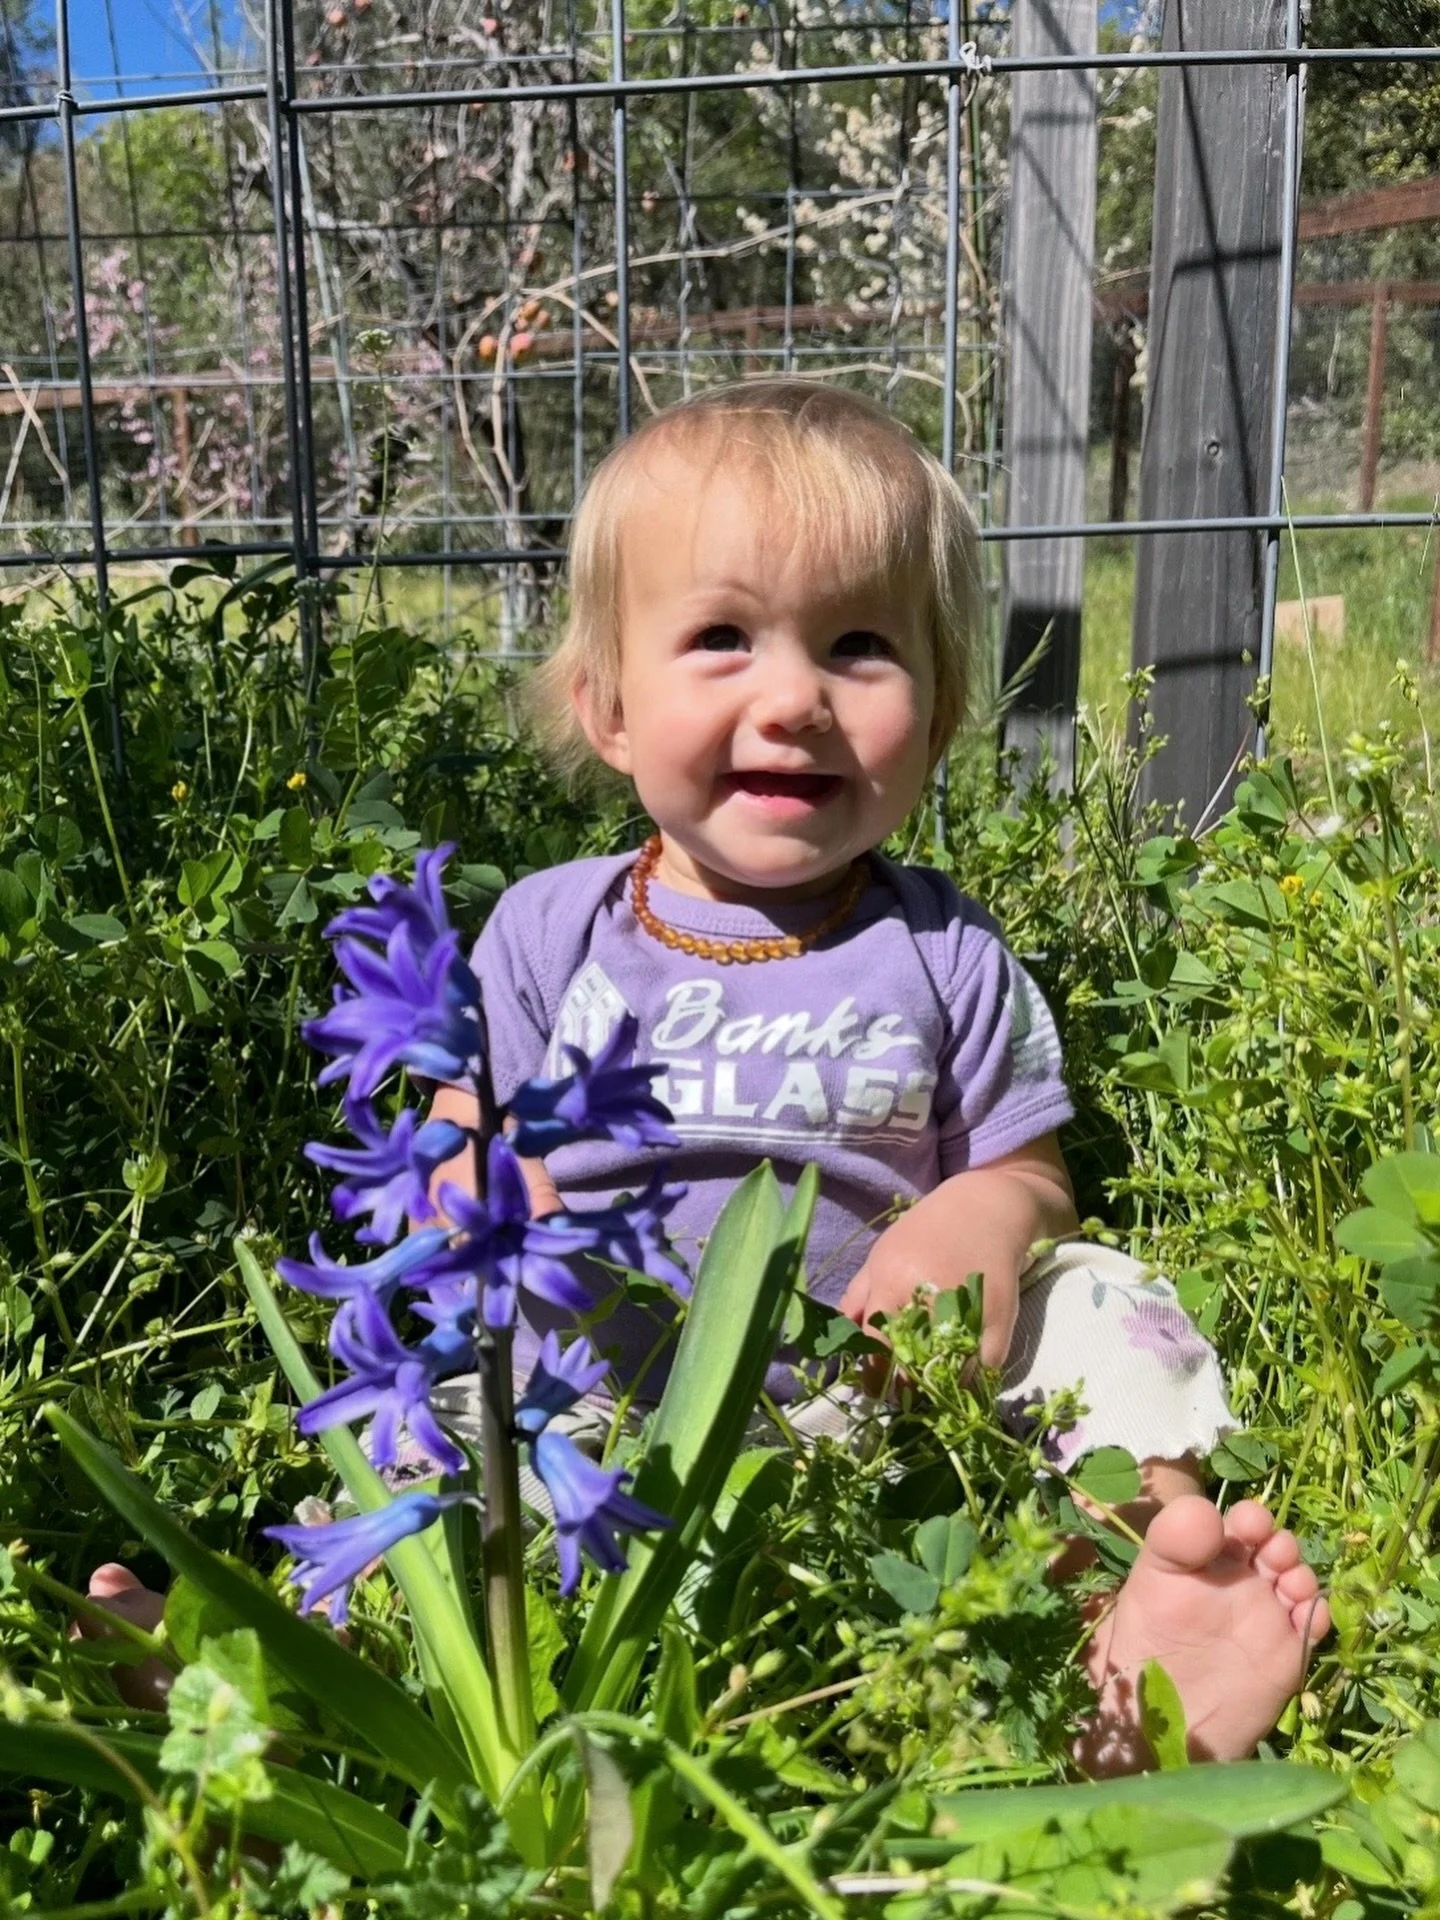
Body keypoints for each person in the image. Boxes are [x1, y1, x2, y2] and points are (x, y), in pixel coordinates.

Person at [417, 379, 1327, 1772]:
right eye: (721, 638)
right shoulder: (550, 928)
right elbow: (455, 1127)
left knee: (1103, 1301)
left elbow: (1031, 1170)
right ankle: (324, 1646)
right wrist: (478, 1183)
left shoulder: (947, 950)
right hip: (589, 1400)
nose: (795, 700)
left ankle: (1132, 1613)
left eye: (858, 647)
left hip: (875, 1407)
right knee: (433, 1397)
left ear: (944, 704)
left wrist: (984, 1226)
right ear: (607, 708)